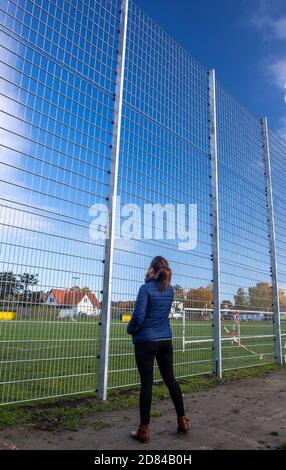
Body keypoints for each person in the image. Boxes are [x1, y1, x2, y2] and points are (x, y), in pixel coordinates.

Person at [127, 256, 189, 443]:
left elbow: (138, 317)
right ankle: (182, 422)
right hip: (165, 340)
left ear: (152, 270)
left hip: (146, 342)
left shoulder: (145, 289)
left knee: (147, 384)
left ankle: (143, 430)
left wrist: (129, 329)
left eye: (148, 267)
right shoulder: (169, 289)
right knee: (170, 379)